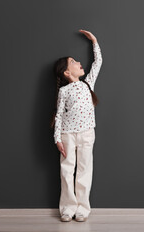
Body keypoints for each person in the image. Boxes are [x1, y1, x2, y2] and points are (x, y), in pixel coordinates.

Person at [50, 29, 103, 222]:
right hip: (67, 135)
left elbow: (97, 64)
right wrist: (57, 138)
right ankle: (67, 208)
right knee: (67, 170)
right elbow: (59, 117)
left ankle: (82, 208)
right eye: (74, 62)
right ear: (66, 72)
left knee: (84, 169)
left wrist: (94, 42)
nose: (79, 63)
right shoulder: (64, 91)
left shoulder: (88, 83)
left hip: (87, 133)